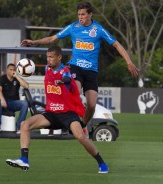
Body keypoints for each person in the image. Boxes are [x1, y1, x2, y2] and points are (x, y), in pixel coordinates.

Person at [21, 1, 139, 126]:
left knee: (92, 105)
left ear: (90, 14)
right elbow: (52, 39)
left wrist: (129, 62)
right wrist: (34, 42)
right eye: (79, 14)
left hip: (91, 71)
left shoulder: (98, 29)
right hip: (76, 67)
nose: (80, 17)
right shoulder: (73, 27)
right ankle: (64, 118)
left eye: (83, 14)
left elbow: (116, 44)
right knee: (74, 93)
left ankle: (83, 125)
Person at [6, 45, 109, 173]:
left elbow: (66, 77)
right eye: (47, 57)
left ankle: (102, 163)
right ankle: (24, 159)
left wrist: (63, 81)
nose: (48, 59)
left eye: (51, 57)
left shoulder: (65, 71)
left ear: (59, 57)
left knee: (81, 137)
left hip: (68, 114)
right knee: (25, 124)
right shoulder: (47, 69)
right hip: (52, 113)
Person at [0, 63, 29, 134]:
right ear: (7, 70)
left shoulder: (17, 78)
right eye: (11, 69)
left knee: (25, 103)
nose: (12, 71)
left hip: (13, 103)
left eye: (14, 70)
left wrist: (17, 76)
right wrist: (2, 100)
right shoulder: (2, 78)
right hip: (4, 102)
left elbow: (26, 86)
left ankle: (19, 127)